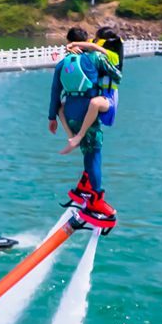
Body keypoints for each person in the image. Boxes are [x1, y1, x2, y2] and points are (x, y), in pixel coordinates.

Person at [48, 27, 119, 223]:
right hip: (88, 108)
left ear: (68, 41)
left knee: (87, 151)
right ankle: (96, 199)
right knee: (94, 152)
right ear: (86, 39)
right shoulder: (94, 58)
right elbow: (116, 71)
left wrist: (51, 117)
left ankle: (85, 186)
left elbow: (55, 91)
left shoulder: (62, 63)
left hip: (70, 110)